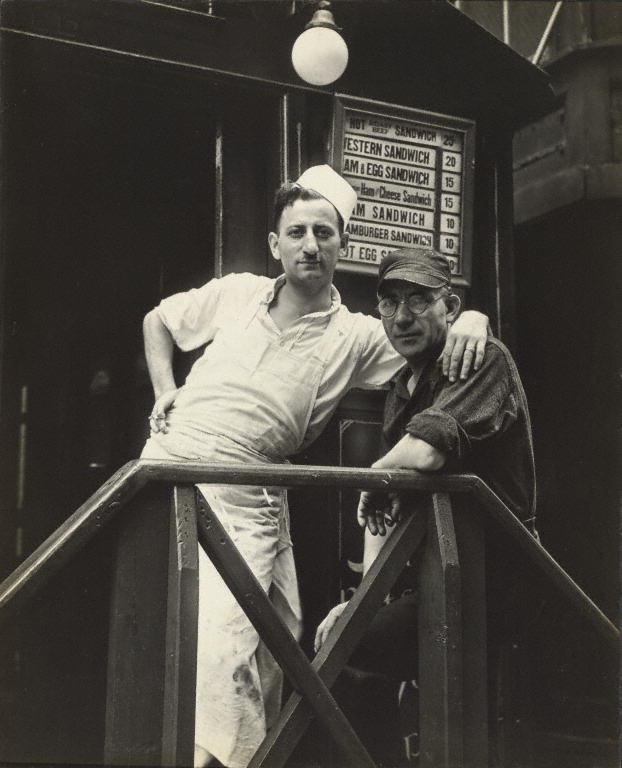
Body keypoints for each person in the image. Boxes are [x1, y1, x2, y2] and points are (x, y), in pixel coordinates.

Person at [140, 166, 489, 768]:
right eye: (296, 231)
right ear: (275, 244)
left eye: (323, 232)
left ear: (341, 245)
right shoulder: (237, 291)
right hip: (172, 467)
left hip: (251, 489)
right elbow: (159, 322)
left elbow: (433, 337)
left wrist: (475, 319)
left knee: (278, 644)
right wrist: (163, 389)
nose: (310, 244)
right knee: (218, 649)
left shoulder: (358, 335)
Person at [314, 246, 536, 763]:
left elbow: (426, 451)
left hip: (494, 582)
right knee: (343, 640)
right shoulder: (402, 387)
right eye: (390, 303)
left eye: (419, 299)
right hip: (439, 578)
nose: (403, 316)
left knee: (351, 649)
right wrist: (365, 599)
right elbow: (386, 515)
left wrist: (378, 476)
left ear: (450, 307)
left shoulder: (482, 358)